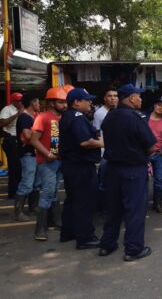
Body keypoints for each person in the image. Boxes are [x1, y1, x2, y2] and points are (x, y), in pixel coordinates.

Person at [99, 84, 157, 261]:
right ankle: (133, 249)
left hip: (113, 168)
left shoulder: (110, 116)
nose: (141, 99)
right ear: (131, 98)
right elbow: (152, 146)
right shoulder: (134, 117)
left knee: (113, 209)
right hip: (133, 170)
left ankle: (107, 245)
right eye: (138, 96)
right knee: (135, 210)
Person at [58, 88, 103, 249]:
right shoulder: (77, 118)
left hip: (71, 166)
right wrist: (103, 142)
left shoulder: (67, 116)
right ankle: (85, 238)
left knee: (72, 200)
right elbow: (85, 142)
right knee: (85, 201)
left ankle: (68, 232)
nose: (90, 102)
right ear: (76, 102)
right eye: (87, 100)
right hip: (80, 167)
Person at [29, 87, 68, 241]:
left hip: (59, 160)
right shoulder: (43, 117)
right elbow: (33, 140)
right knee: (47, 192)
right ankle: (40, 228)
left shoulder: (62, 118)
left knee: (53, 191)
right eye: (61, 102)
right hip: (47, 162)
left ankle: (54, 222)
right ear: (52, 103)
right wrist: (47, 154)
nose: (65, 105)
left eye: (65, 102)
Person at [13, 94, 41, 222]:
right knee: (27, 183)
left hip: (34, 153)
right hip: (27, 154)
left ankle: (33, 207)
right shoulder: (24, 117)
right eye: (38, 102)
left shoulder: (32, 117)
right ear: (32, 103)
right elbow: (27, 135)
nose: (39, 105)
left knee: (36, 183)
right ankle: (18, 212)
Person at [92, 88, 118, 211]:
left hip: (116, 152)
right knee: (103, 181)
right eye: (110, 96)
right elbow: (96, 132)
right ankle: (102, 208)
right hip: (104, 153)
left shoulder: (118, 111)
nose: (113, 98)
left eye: (115, 96)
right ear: (104, 98)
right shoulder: (99, 113)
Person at [0, 92, 25, 199]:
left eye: (20, 100)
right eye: (17, 101)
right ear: (13, 101)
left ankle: (20, 190)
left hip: (20, 139)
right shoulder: (7, 109)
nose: (19, 102)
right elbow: (2, 123)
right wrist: (17, 114)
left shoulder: (22, 109)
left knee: (20, 166)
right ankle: (12, 192)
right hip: (10, 139)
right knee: (14, 167)